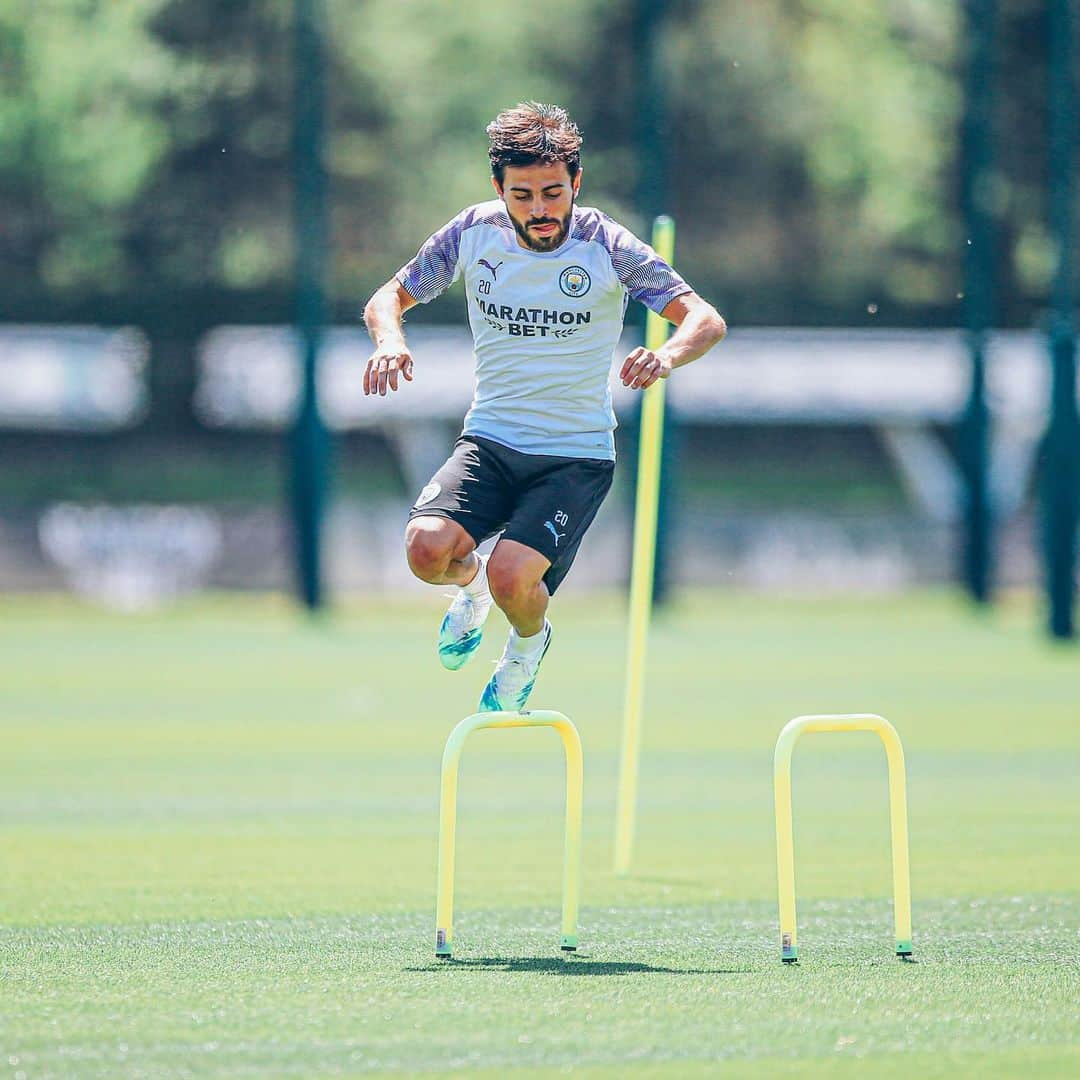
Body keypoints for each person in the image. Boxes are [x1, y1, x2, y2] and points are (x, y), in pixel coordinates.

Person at [362, 102, 726, 712]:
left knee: (515, 578)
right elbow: (387, 298)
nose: (540, 210)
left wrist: (665, 357)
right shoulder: (474, 232)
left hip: (574, 457)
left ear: (575, 184)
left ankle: (527, 648)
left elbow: (705, 319)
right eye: (523, 195)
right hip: (491, 440)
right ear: (499, 189)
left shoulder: (605, 243)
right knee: (427, 551)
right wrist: (391, 340)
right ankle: (470, 588)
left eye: (553, 193)